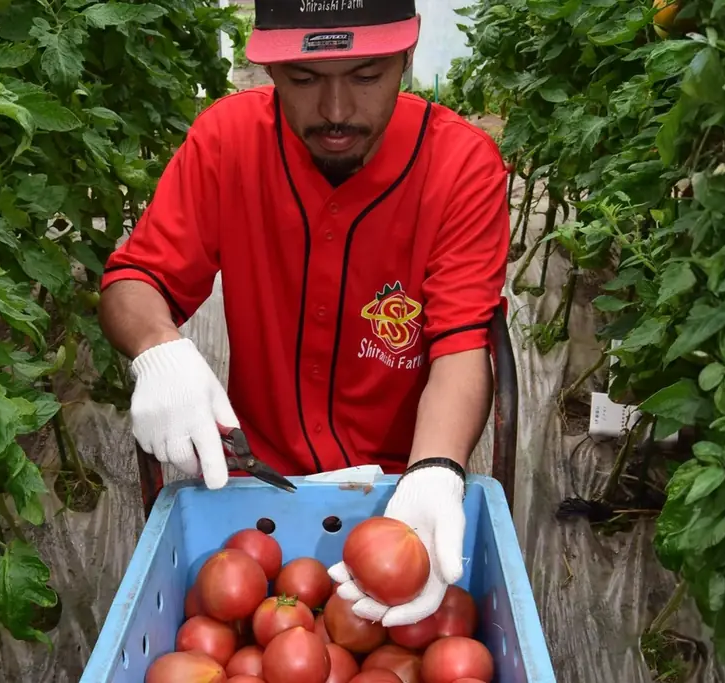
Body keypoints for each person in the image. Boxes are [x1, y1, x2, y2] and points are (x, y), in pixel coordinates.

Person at [97, 0, 510, 628]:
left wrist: (434, 470)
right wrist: (158, 348)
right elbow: (136, 278)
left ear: (407, 56)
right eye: (304, 78)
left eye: (366, 76)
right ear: (271, 68)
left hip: (395, 489)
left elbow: (460, 344)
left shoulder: (460, 166)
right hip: (256, 482)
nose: (336, 110)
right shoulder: (229, 141)